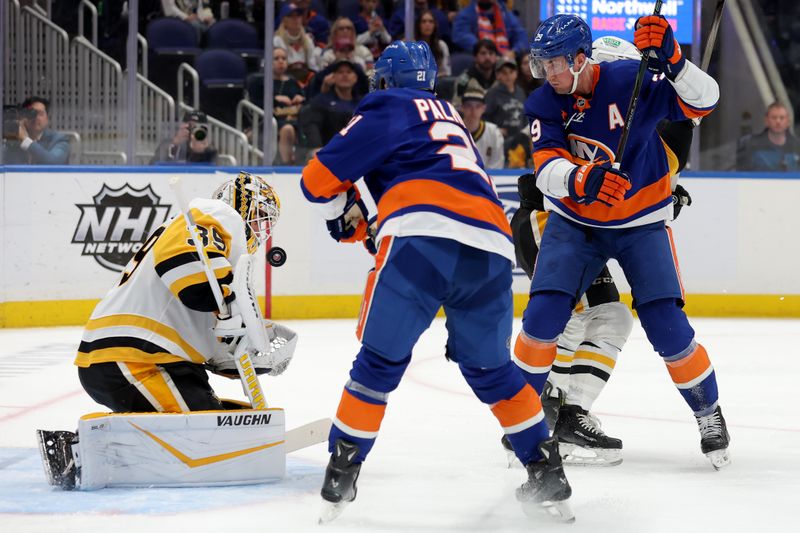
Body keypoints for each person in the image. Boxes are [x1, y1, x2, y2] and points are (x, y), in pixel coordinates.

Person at [300, 40, 574, 524]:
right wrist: (370, 218)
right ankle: (545, 468)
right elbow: (436, 184)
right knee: (492, 371)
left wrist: (337, 214)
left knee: (379, 362)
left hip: (420, 240)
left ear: (384, 80)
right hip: (490, 247)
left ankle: (342, 471)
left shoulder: (387, 105)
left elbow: (317, 179)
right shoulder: (450, 119)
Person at [517, 14, 730, 470]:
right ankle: (523, 422)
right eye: (542, 65)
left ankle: (709, 414)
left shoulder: (632, 80)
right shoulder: (543, 103)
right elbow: (546, 169)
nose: (547, 74)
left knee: (667, 329)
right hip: (574, 224)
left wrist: (675, 60)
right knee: (541, 321)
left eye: (554, 64)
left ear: (580, 59)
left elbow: (705, 101)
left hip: (641, 225)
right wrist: (584, 178)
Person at [38, 172, 298, 490]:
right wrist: (229, 300)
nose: (262, 229)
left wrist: (253, 349)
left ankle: (91, 445)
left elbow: (214, 344)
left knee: (216, 422)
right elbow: (182, 266)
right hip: (135, 357)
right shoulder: (217, 214)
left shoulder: (222, 252)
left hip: (152, 358)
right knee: (207, 438)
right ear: (240, 204)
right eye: (259, 216)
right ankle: (80, 449)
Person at [299, 60, 363, 158]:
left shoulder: (363, 103)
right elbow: (312, 125)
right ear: (333, 77)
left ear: (356, 78)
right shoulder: (321, 101)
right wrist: (316, 147)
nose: (345, 75)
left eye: (349, 72)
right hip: (329, 155)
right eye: (340, 72)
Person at [3, 96, 70, 165]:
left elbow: (53, 162)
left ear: (47, 119)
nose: (36, 117)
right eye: (31, 113)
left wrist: (26, 140)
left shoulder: (59, 140)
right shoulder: (14, 141)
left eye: (41, 114)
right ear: (22, 117)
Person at [736, 101, 800, 171]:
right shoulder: (751, 146)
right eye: (774, 118)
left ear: (788, 122)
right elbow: (742, 175)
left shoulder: (796, 147)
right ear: (766, 121)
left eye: (782, 118)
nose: (778, 121)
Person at [451, 0, 527, 57]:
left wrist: (514, 52)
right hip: (478, 57)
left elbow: (521, 36)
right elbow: (461, 36)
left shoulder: (506, 14)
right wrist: (487, 50)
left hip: (505, 58)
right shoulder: (466, 14)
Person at [271, 46, 305, 164]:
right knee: (288, 129)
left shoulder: (293, 82)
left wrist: (301, 99)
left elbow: (304, 100)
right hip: (272, 121)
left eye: (284, 58)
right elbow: (257, 102)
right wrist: (274, 99)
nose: (281, 61)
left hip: (294, 118)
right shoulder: (261, 81)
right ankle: (287, 165)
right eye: (276, 58)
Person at [459, 82, 504, 168]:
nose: (473, 110)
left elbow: (497, 166)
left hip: (487, 179)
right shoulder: (454, 130)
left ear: (484, 108)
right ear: (462, 108)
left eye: (478, 106)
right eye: (469, 106)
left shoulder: (494, 133)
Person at [150, 110, 218, 165]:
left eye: (198, 127)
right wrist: (174, 144)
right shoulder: (168, 144)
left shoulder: (208, 148)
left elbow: (214, 170)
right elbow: (153, 165)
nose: (193, 130)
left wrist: (202, 152)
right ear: (183, 126)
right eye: (190, 126)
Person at [274, 3, 320, 81]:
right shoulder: (277, 40)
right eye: (290, 16)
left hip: (305, 79)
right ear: (283, 20)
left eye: (298, 15)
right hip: (285, 78)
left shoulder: (308, 40)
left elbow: (313, 67)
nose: (295, 19)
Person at [454, 39, 498, 105]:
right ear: (475, 57)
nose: (487, 57)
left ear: (496, 57)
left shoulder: (500, 78)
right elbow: (456, 106)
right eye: (483, 53)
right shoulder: (464, 79)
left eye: (491, 53)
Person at [415, 9, 451, 76]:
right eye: (424, 22)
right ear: (418, 25)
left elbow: (447, 72)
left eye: (431, 22)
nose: (427, 24)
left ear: (435, 25)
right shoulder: (412, 46)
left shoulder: (441, 45)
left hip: (438, 82)